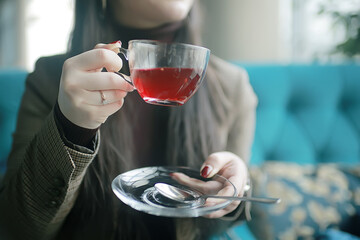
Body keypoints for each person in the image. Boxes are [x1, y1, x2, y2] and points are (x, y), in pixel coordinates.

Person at [0, 0, 258, 239]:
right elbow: (18, 229)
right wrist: (70, 127)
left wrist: (233, 190)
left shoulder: (233, 86)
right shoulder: (51, 79)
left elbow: (216, 224)